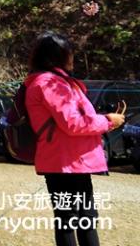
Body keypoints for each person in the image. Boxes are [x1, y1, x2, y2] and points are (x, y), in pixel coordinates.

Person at [25, 32, 124, 246]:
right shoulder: (51, 84)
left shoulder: (51, 81)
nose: (72, 58)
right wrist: (108, 121)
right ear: (58, 56)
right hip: (67, 163)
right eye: (69, 53)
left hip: (67, 162)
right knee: (77, 220)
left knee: (71, 220)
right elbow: (74, 123)